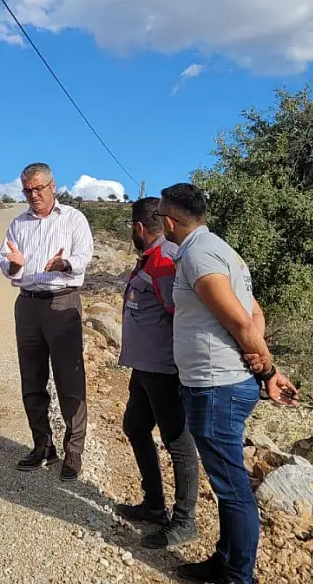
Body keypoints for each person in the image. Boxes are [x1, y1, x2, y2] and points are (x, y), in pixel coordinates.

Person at [157, 183, 298, 584]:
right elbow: (257, 313)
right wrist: (258, 360)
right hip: (221, 382)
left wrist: (267, 371)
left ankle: (239, 576)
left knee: (233, 487)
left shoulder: (199, 255)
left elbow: (239, 320)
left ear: (169, 221)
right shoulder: (221, 249)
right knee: (226, 482)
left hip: (216, 387)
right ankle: (225, 561)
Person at [0, 162, 94, 482]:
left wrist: (64, 263)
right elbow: (6, 262)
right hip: (27, 306)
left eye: (39, 188)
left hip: (62, 303)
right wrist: (14, 267)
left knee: (69, 381)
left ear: (53, 186)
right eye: (27, 190)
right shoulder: (18, 224)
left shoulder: (73, 219)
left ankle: (74, 450)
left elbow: (84, 256)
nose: (33, 195)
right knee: (32, 380)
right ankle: (43, 445)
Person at [115, 197, 200, 550]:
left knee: (178, 443)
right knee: (135, 427)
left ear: (138, 228)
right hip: (145, 366)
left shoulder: (164, 259)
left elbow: (175, 311)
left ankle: (184, 521)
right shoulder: (153, 257)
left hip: (163, 368)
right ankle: (153, 505)